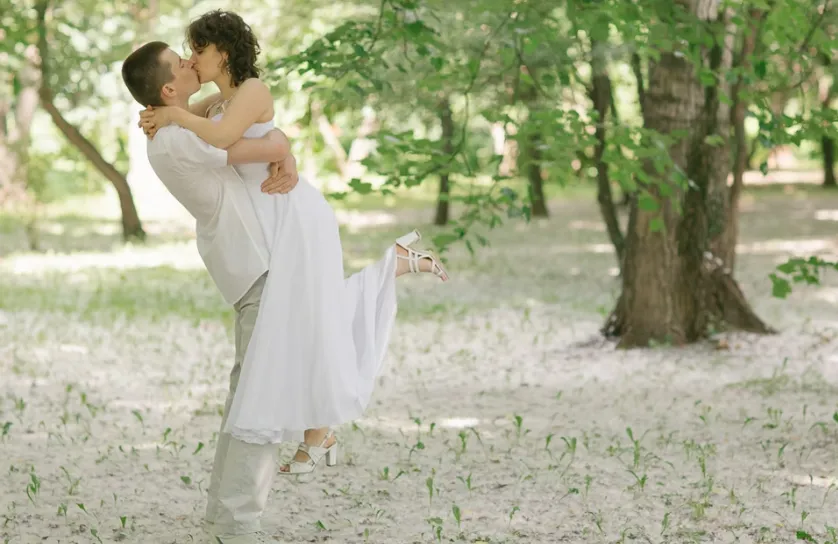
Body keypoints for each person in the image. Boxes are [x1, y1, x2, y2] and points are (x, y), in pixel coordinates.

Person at [122, 41, 295, 543]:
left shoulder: (174, 129)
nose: (190, 61)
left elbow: (225, 125)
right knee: (258, 397)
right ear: (170, 87)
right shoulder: (177, 139)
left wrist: (174, 113)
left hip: (247, 264)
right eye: (181, 62)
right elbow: (267, 144)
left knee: (249, 392)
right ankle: (238, 523)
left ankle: (226, 519)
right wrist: (283, 147)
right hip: (253, 267)